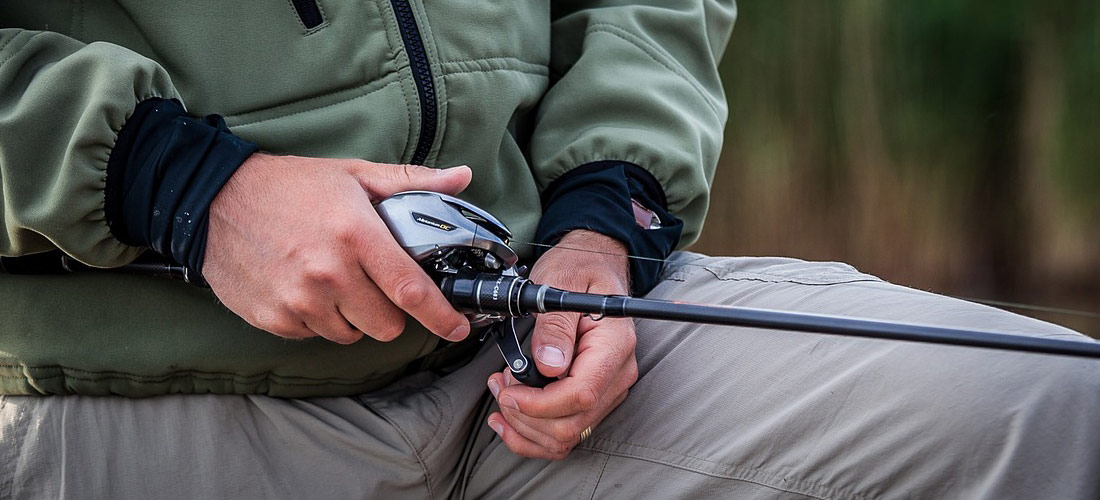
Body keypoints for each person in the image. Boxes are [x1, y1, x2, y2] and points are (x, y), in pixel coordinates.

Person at [1, 2, 1097, 498]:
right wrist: (187, 187)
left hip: (544, 344)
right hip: (108, 405)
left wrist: (602, 222)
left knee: (1052, 410)